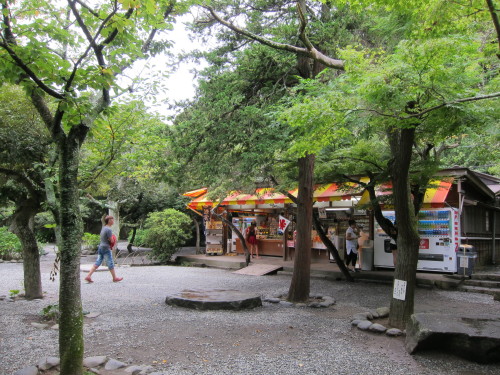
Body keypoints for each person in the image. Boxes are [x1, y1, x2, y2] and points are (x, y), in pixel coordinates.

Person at [85, 215, 123, 283]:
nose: (113, 221)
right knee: (110, 262)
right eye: (112, 220)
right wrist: (114, 239)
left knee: (98, 261)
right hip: (106, 248)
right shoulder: (108, 229)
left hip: (101, 247)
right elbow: (111, 240)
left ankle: (88, 276)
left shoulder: (103, 228)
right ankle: (115, 278)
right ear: (109, 221)